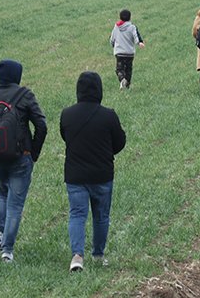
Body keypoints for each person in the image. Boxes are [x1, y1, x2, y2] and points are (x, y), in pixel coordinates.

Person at [0, 59, 47, 263]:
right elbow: (41, 125)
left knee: (0, 191)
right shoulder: (25, 95)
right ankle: (7, 251)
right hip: (21, 156)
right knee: (15, 205)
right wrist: (33, 152)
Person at [60, 71, 126, 272]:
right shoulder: (109, 115)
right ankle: (98, 254)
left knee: (77, 214)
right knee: (101, 216)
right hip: (102, 175)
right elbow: (120, 142)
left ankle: (77, 256)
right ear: (99, 90)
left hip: (75, 175)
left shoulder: (67, 114)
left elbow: (65, 136)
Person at [110, 9, 145, 89]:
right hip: (129, 53)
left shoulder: (116, 27)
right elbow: (136, 36)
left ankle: (122, 79)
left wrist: (112, 44)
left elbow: (112, 38)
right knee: (128, 69)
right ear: (130, 18)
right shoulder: (132, 27)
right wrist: (139, 42)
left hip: (119, 52)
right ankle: (127, 84)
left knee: (119, 69)